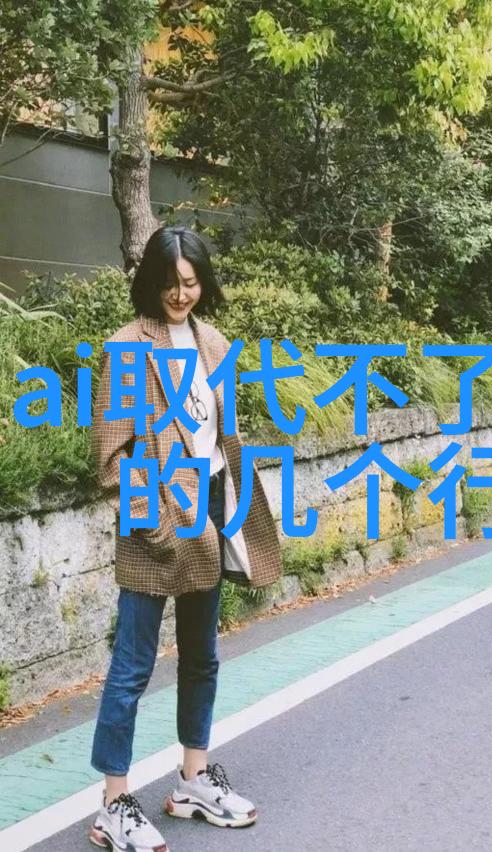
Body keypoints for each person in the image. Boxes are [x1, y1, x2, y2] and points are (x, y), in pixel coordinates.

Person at [88, 225, 283, 851]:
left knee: (202, 657)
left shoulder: (214, 343)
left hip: (209, 519)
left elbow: (224, 439)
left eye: (191, 282)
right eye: (170, 282)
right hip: (154, 527)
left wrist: (233, 513)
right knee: (131, 668)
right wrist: (157, 525)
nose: (180, 294)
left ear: (204, 282)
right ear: (151, 281)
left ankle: (193, 780)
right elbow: (111, 458)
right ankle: (113, 805)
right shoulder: (126, 347)